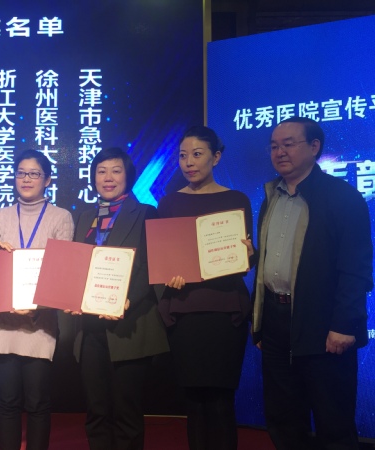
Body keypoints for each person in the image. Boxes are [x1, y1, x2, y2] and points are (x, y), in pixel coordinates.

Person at [252, 116, 372, 450]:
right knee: (284, 419)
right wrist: (259, 323)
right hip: (276, 323)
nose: (279, 152)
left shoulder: (343, 197)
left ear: (314, 147)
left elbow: (356, 268)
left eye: (288, 144)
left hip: (325, 328)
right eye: (274, 146)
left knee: (333, 422)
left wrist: (344, 325)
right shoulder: (270, 197)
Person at [157, 126, 253, 450]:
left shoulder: (236, 200)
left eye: (197, 154)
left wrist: (248, 255)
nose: (189, 162)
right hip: (184, 313)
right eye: (183, 156)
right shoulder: (168, 203)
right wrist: (169, 274)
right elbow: (163, 259)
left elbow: (247, 258)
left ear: (216, 157)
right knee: (194, 402)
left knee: (222, 401)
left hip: (225, 313)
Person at [72, 147, 169, 450]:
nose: (108, 178)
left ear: (128, 176)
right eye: (101, 171)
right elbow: (76, 265)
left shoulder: (146, 213)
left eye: (116, 171)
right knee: (96, 410)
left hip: (130, 325)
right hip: (90, 328)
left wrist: (128, 300)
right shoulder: (85, 217)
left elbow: (151, 266)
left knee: (127, 411)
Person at [0, 149, 74, 450]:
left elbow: (60, 273)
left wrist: (35, 308)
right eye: (21, 173)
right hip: (3, 323)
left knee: (37, 402)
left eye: (34, 173)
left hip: (40, 324)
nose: (26, 179)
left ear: (47, 180)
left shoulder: (61, 217)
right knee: (7, 401)